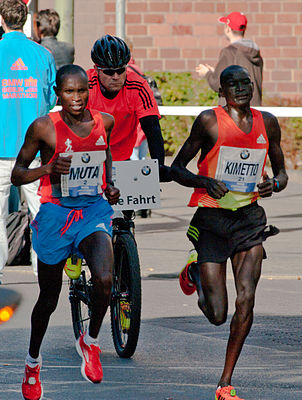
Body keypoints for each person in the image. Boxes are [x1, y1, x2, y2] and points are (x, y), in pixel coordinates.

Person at [171, 65, 288, 400]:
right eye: (232, 84)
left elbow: (281, 173)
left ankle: (225, 383)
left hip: (250, 220)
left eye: (245, 83)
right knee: (217, 315)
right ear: (221, 91)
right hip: (212, 220)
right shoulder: (209, 121)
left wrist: (273, 185)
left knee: (246, 299)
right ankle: (194, 270)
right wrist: (206, 181)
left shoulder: (268, 122)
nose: (240, 88)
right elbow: (178, 169)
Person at [11, 64, 120, 400]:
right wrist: (47, 168)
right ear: (57, 93)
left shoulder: (105, 122)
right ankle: (32, 362)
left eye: (82, 90)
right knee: (48, 299)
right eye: (69, 91)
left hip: (92, 211)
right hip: (57, 213)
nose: (77, 98)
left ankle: (91, 341)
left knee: (105, 279)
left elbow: (107, 154)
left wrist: (111, 185)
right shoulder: (44, 127)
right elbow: (17, 173)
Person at [0, 0, 56, 276]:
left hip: (1, 148)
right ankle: (41, 267)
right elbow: (51, 98)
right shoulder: (42, 55)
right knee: (39, 210)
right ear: (25, 20)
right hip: (33, 150)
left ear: (1, 19)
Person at [87, 34, 171, 183]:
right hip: (89, 156)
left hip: (122, 157)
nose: (116, 76)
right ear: (96, 69)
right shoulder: (86, 85)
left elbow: (152, 129)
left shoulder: (138, 86)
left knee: (125, 205)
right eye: (108, 72)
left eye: (121, 70)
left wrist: (159, 167)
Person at [196, 12, 263, 106]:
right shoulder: (255, 52)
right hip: (254, 111)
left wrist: (207, 73)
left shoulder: (229, 52)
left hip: (235, 113)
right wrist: (215, 72)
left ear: (228, 29)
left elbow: (218, 84)